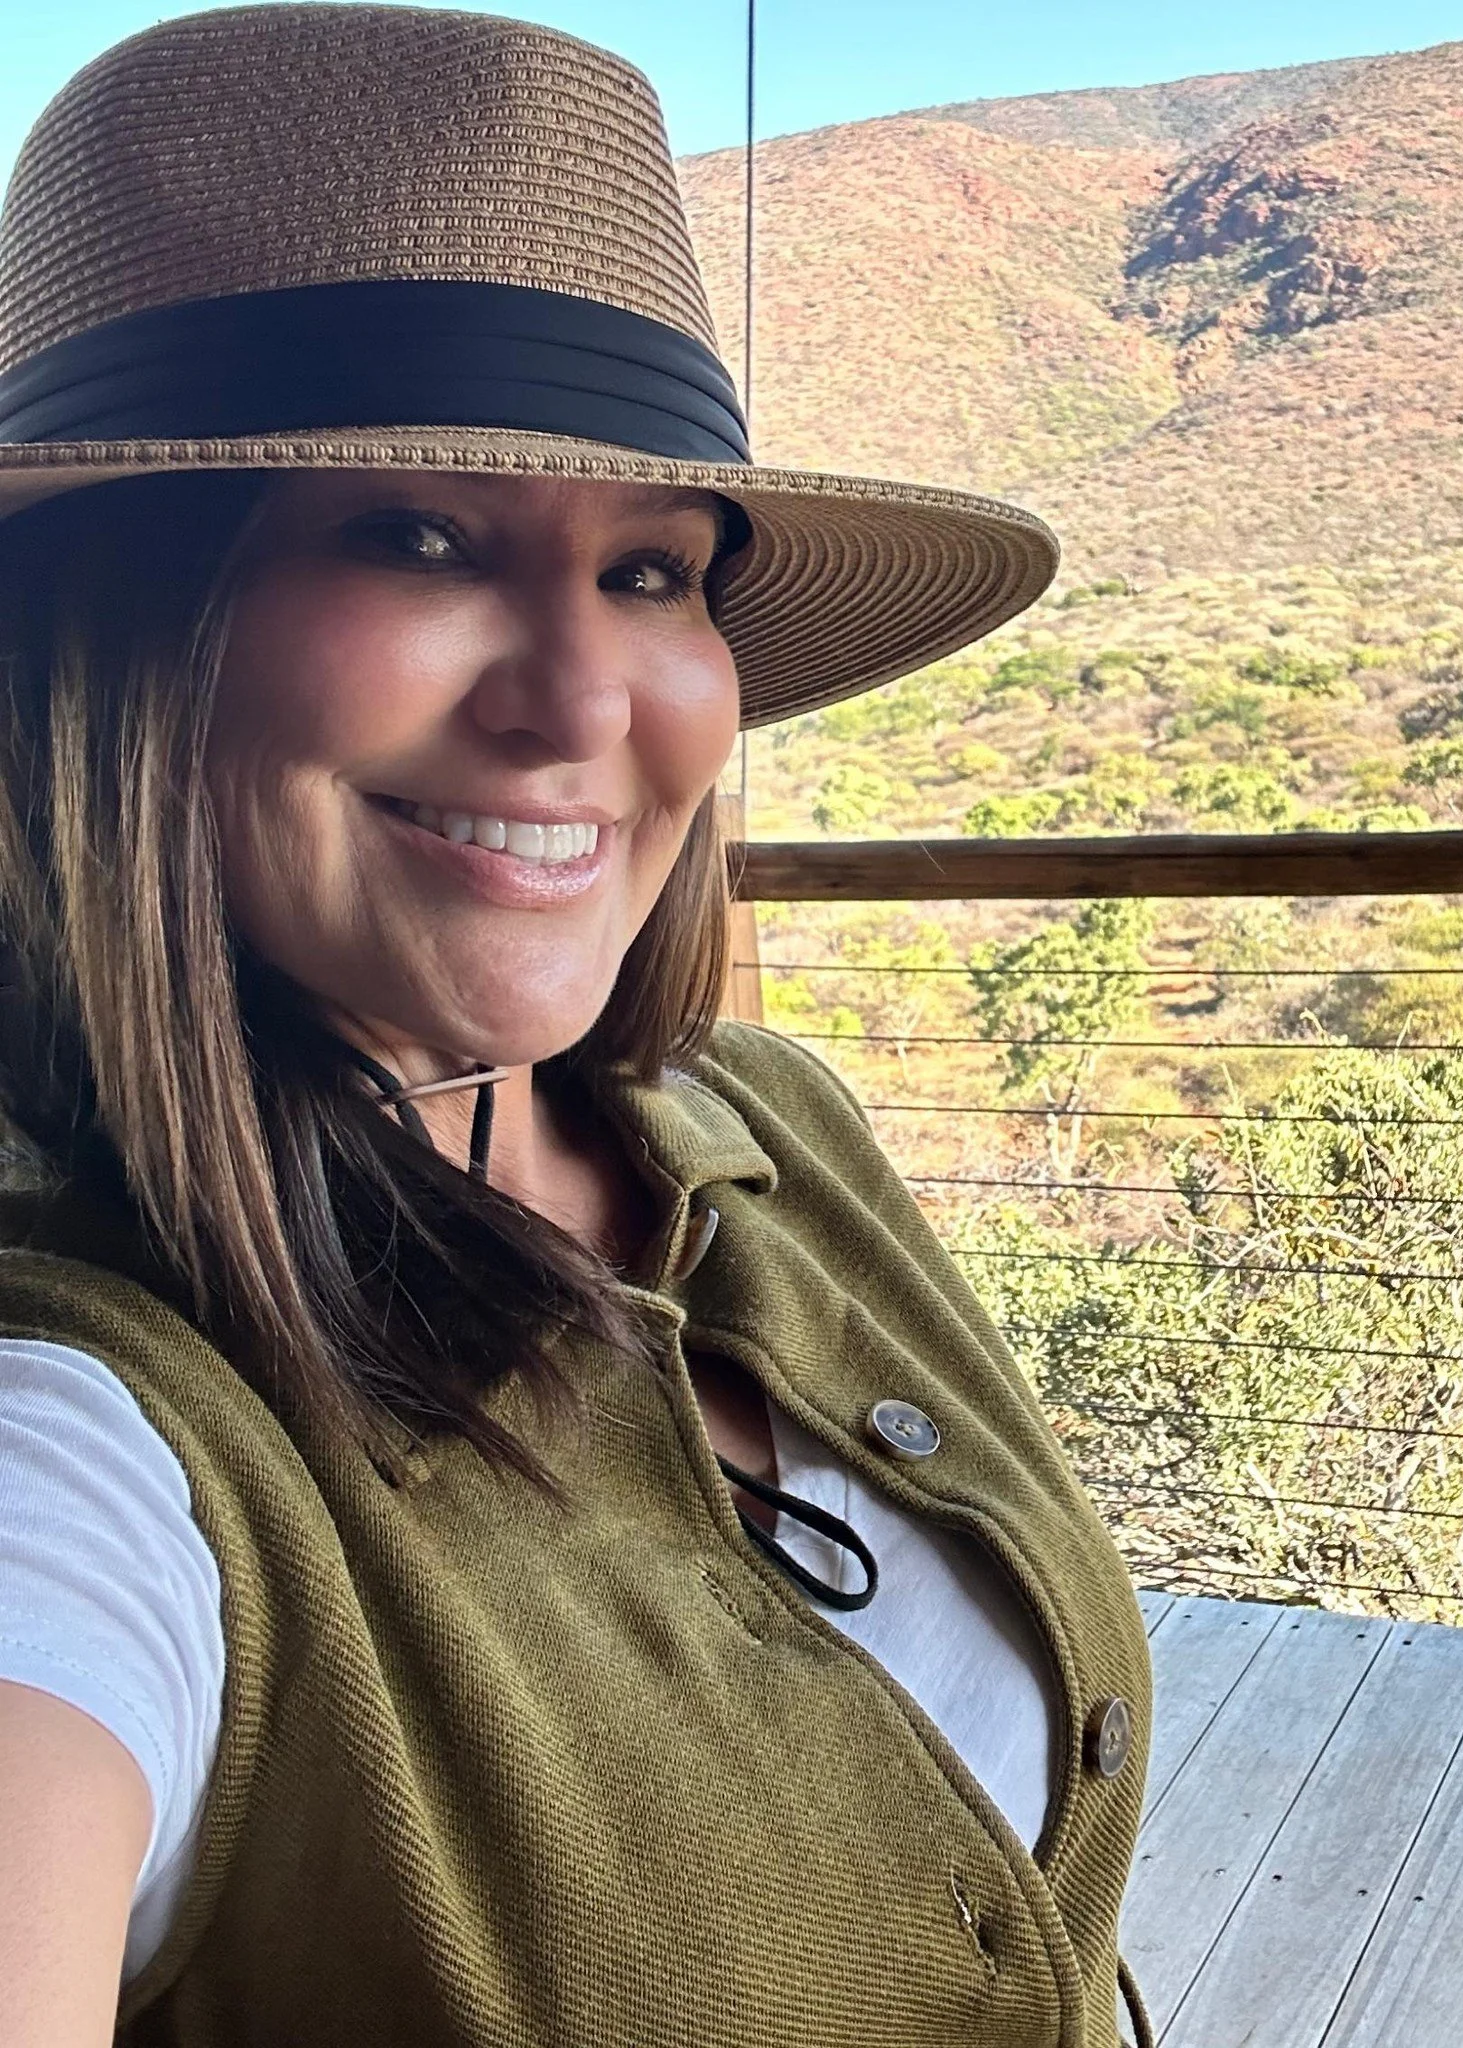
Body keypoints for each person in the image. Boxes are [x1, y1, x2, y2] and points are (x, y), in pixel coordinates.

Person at [0, 9, 1153, 2046]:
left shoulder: (764, 1133)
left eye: (650, 567)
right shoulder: (76, 1418)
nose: (582, 700)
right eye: (416, 537)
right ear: (101, 641)